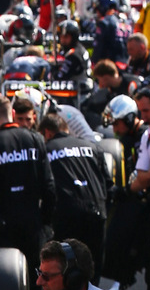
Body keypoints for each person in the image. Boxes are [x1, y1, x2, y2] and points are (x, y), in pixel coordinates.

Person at [0, 96, 57, 289]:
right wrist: (45, 221)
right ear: (12, 114)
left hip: (3, 226)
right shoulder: (36, 139)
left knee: (5, 284)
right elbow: (49, 187)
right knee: (38, 282)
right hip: (32, 222)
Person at [39, 111, 113, 277]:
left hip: (66, 213)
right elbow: (109, 186)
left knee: (66, 268)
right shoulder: (93, 147)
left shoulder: (46, 150)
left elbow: (45, 186)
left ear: (47, 133)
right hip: (96, 211)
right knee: (92, 268)